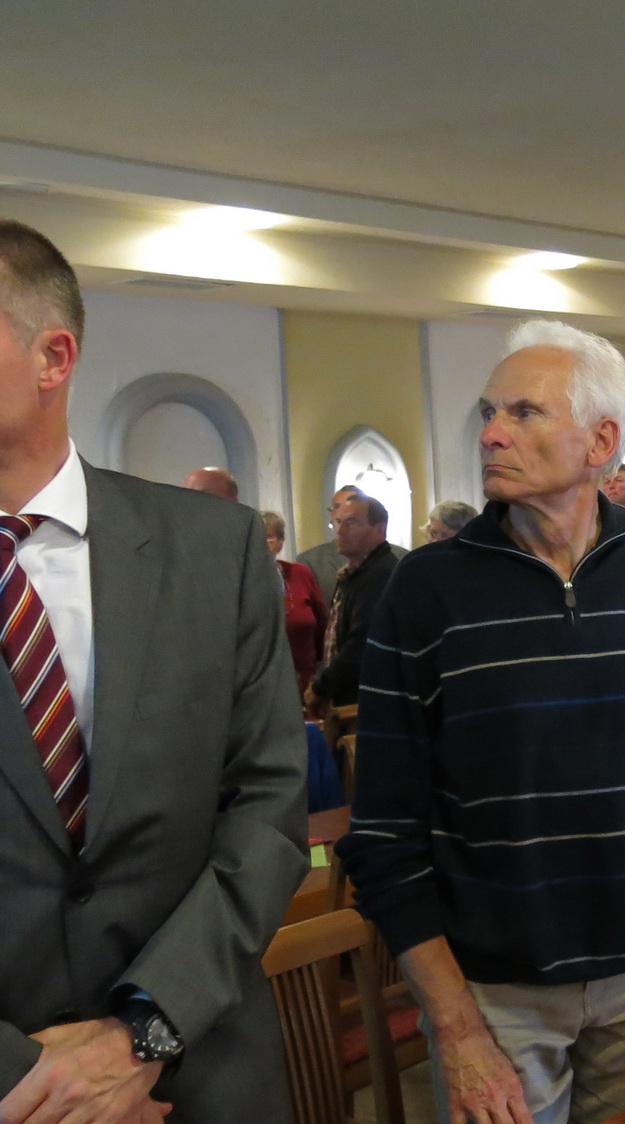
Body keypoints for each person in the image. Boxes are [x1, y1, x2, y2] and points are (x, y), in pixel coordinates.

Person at [338, 319, 625, 1123]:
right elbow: (384, 834)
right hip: (494, 997)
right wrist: (457, 1029)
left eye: (524, 412)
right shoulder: (427, 588)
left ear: (601, 442)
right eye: (490, 412)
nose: (491, 433)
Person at [0, 220, 307, 1122]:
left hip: (198, 1063)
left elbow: (266, 805)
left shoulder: (211, 549)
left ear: (53, 357)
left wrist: (142, 1033)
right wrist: (31, 1076)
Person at [305, 493, 397, 713]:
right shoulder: (354, 573)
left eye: (351, 522)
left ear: (379, 529)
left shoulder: (380, 574)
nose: (340, 530)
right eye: (338, 522)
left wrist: (321, 688)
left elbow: (361, 645)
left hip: (370, 700)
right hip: (348, 696)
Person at [261, 509, 329, 697]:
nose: (261, 543)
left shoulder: (300, 573)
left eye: (268, 537)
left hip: (306, 682)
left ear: (280, 542)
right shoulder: (238, 581)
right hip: (263, 687)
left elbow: (323, 625)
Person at [298, 485, 407, 599]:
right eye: (337, 507)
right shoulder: (311, 561)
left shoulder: (401, 558)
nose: (343, 511)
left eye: (351, 520)